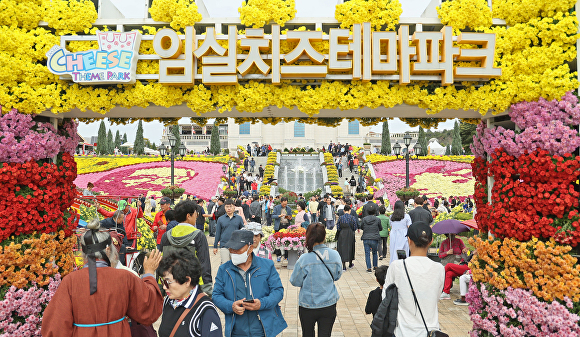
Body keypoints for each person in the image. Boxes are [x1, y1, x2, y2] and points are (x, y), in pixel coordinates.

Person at [41, 220, 164, 337]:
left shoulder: (70, 281)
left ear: (83, 251)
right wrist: (149, 273)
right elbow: (147, 308)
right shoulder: (125, 277)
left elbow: (55, 326)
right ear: (108, 249)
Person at [213, 230, 288, 337]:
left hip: (263, 329)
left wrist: (262, 303)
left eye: (237, 250)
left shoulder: (267, 265)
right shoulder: (224, 270)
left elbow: (278, 291)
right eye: (231, 249)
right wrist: (231, 306)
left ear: (250, 248)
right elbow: (216, 295)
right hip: (237, 330)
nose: (233, 253)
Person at [382, 221, 445, 337]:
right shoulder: (439, 269)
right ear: (430, 241)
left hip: (403, 331)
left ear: (409, 240)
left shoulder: (397, 266)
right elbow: (436, 296)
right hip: (430, 331)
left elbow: (385, 298)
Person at [290, 223, 342, 337]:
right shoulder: (335, 255)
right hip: (329, 303)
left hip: (308, 305)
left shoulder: (304, 258)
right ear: (324, 236)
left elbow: (294, 281)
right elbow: (337, 276)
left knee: (307, 334)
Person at [157, 250, 222, 337]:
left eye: (168, 282)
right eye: (163, 281)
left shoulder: (205, 310)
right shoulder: (169, 301)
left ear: (187, 281)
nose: (164, 287)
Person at [160, 200, 214, 297]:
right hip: (192, 286)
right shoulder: (198, 236)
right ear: (188, 216)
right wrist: (207, 288)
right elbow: (204, 263)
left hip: (172, 285)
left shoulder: (166, 236)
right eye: (195, 214)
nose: (196, 216)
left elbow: (161, 262)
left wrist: (161, 287)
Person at [214, 199, 245, 264]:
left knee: (235, 264)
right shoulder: (220, 219)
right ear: (224, 207)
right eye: (227, 207)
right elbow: (218, 233)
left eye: (230, 206)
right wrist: (215, 246)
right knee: (225, 264)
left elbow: (242, 232)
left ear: (234, 207)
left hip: (236, 246)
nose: (229, 208)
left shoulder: (239, 218)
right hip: (224, 245)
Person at [360, 206, 383, 273]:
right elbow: (380, 228)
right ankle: (375, 266)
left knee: (367, 253)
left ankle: (369, 268)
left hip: (366, 237)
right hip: (374, 237)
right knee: (375, 252)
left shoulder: (364, 219)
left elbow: (362, 227)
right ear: (375, 212)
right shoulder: (377, 219)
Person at [335, 205, 357, 270]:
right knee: (351, 247)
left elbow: (338, 227)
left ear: (343, 211)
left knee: (342, 248)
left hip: (342, 234)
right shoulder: (352, 218)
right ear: (350, 210)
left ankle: (344, 266)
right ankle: (350, 263)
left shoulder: (340, 218)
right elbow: (355, 227)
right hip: (350, 234)